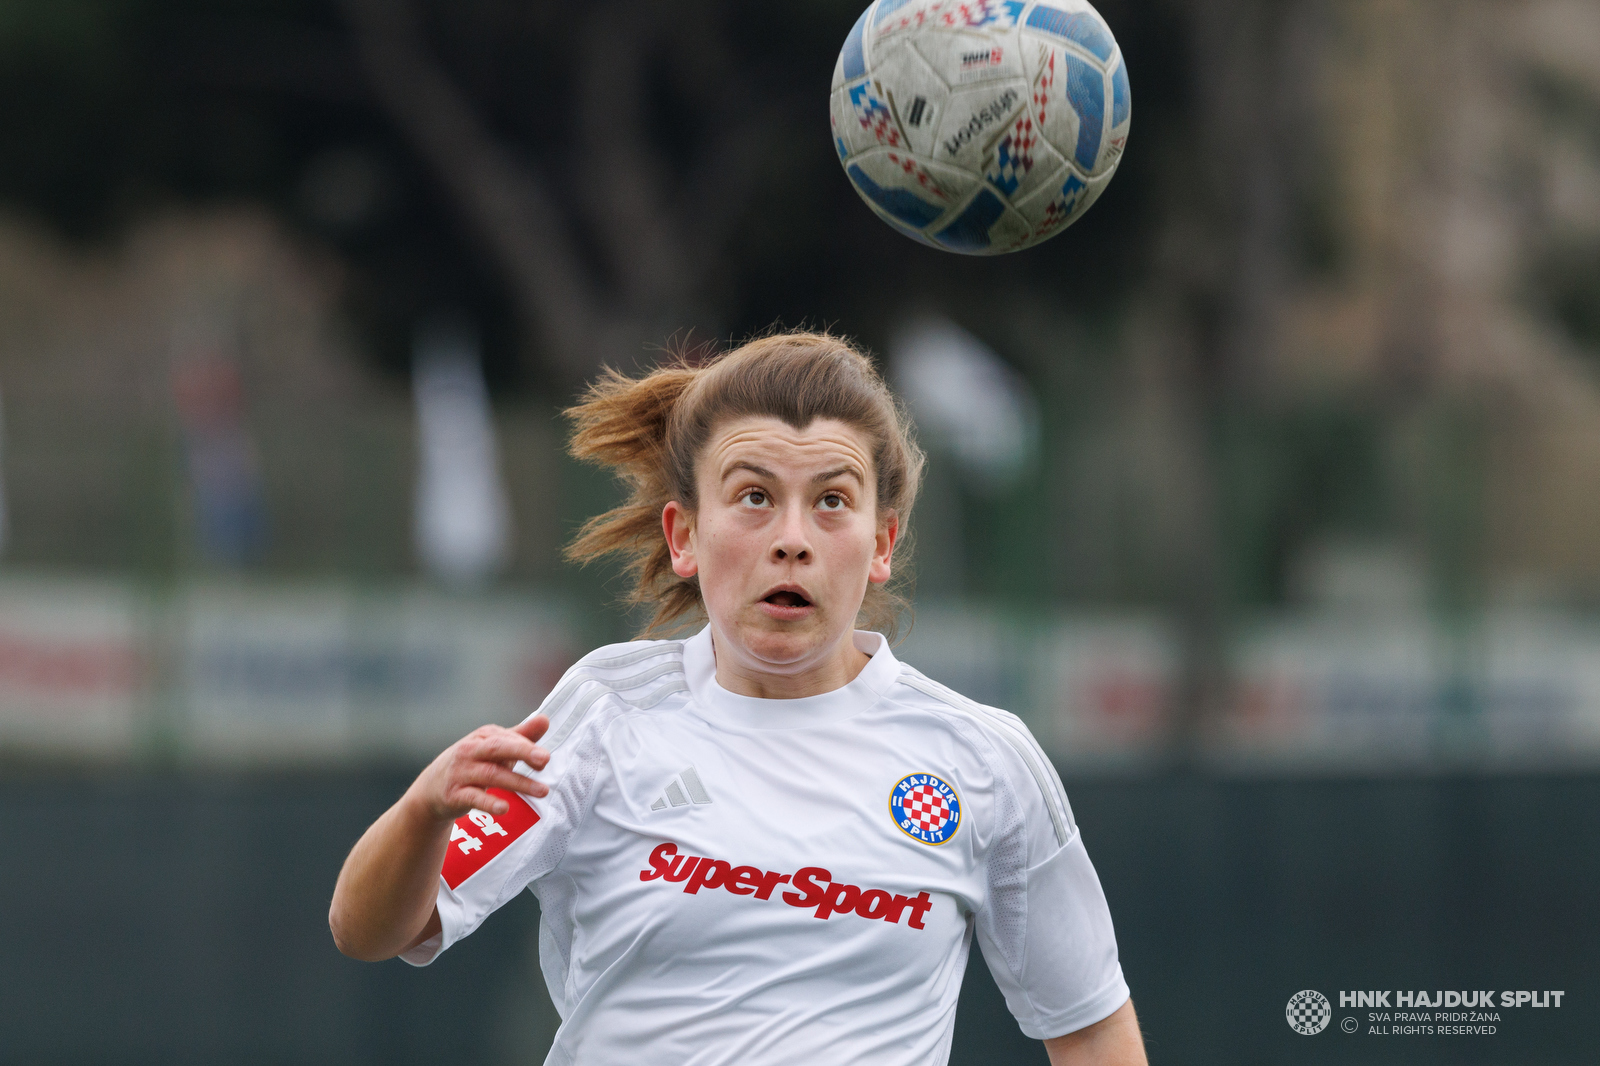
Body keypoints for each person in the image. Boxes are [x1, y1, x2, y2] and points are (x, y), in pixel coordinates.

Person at [329, 331, 1147, 1065]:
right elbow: (368, 931)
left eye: (832, 501)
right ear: (684, 535)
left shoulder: (981, 760)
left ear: (882, 544)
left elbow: (1087, 1023)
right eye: (755, 497)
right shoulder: (606, 715)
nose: (792, 537)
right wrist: (423, 812)